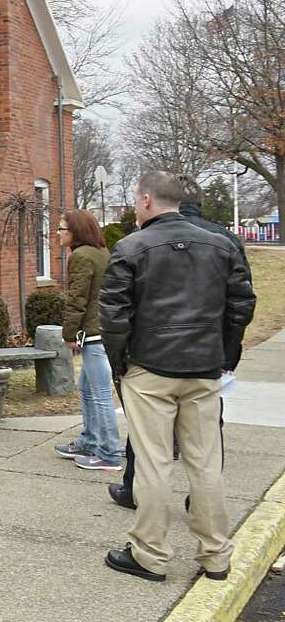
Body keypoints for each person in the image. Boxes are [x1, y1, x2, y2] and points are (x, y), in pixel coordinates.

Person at [100, 171, 255, 582]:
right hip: (203, 368)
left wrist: (122, 364)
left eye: (135, 199)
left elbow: (114, 316)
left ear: (148, 200)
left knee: (153, 463)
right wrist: (224, 357)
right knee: (206, 463)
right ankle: (216, 555)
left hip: (150, 368)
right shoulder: (221, 245)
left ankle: (149, 554)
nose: (135, 206)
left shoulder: (130, 247)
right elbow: (241, 305)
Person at [51, 210, 122, 471]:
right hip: (102, 330)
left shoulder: (80, 256)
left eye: (61, 228)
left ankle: (109, 453)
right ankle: (90, 441)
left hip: (93, 333)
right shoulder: (102, 253)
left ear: (75, 232)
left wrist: (68, 334)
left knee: (100, 394)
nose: (57, 233)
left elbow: (77, 299)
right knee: (88, 389)